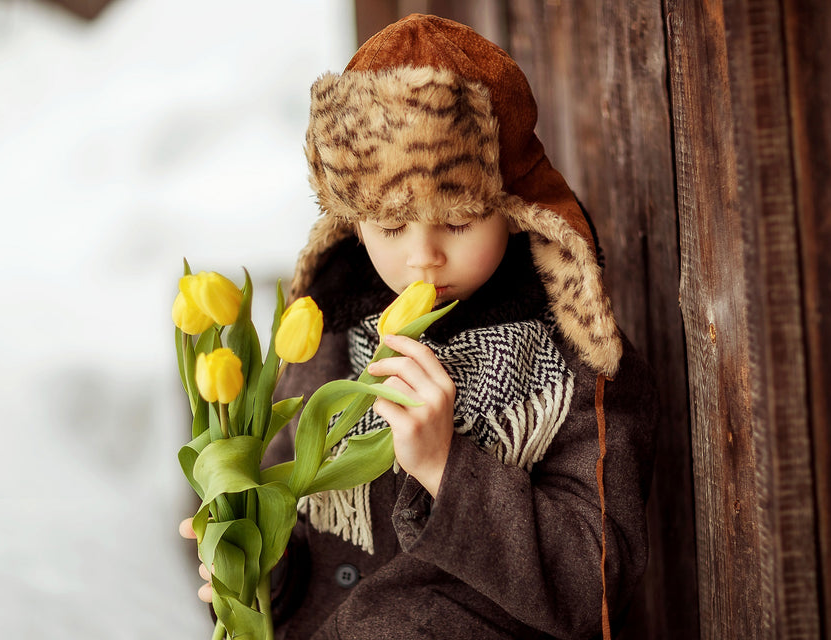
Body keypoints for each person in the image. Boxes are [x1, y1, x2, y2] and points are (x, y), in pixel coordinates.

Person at [182, 13, 657, 639]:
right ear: (352, 221)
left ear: (513, 207)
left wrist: (446, 466)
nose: (422, 256)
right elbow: (299, 544)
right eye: (390, 225)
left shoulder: (574, 364)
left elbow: (595, 588)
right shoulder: (326, 335)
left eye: (457, 223)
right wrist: (248, 560)